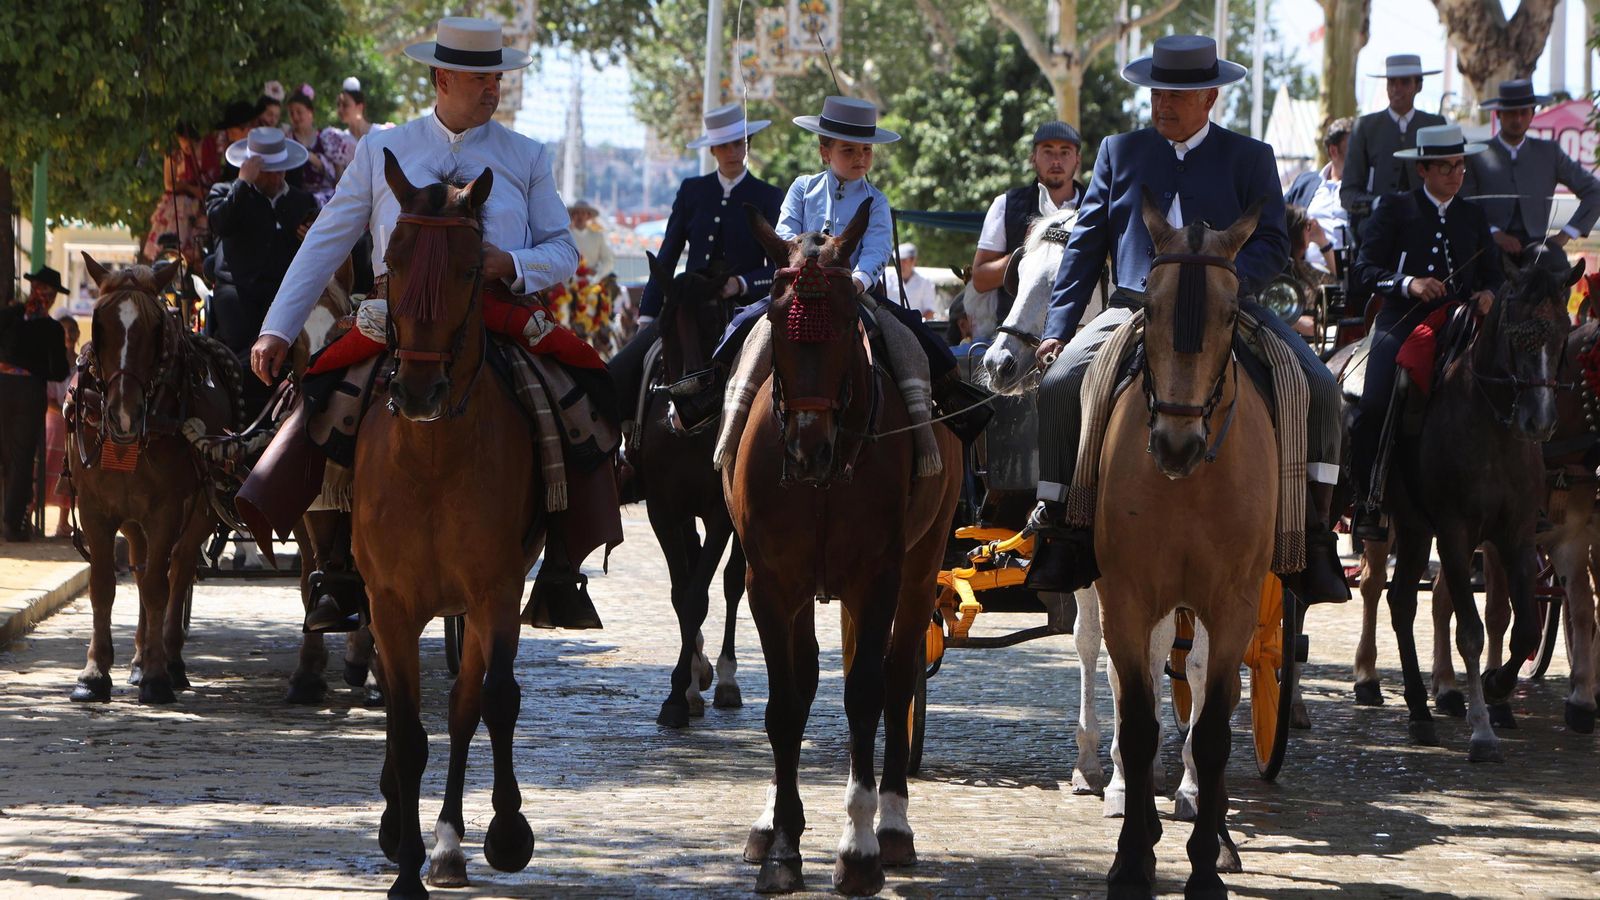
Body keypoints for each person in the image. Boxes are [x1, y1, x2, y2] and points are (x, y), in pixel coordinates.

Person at [246, 17, 596, 631]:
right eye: (483, 77)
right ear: (442, 76)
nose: (495, 88)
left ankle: (563, 564)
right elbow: (329, 237)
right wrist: (278, 327)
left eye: (498, 77)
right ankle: (336, 566)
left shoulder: (526, 156)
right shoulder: (384, 148)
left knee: (575, 397)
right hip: (394, 317)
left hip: (496, 312)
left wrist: (511, 262)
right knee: (327, 395)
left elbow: (564, 251)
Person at [1026, 34, 1348, 603]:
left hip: (1230, 310)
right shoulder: (1118, 151)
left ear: (1210, 98)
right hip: (1134, 307)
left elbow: (1273, 240)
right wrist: (1056, 331)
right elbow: (1083, 246)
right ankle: (1062, 529)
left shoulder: (1250, 157)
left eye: (1176, 93)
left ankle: (1314, 538)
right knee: (1056, 386)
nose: (1162, 103)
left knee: (1321, 390)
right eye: (1156, 91)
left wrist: (1225, 288)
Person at [709, 95, 990, 439]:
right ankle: (714, 395)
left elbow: (876, 253)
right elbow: (784, 236)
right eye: (849, 150)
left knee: (914, 335)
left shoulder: (878, 201)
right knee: (742, 323)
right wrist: (802, 268)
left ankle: (942, 411)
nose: (860, 158)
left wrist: (853, 283)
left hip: (854, 296)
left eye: (866, 151)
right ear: (824, 152)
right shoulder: (802, 188)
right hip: (799, 292)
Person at [1349, 124, 1502, 539]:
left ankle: (1518, 498)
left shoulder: (1473, 215)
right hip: (1402, 320)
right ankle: (1369, 500)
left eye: (1461, 166)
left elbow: (1496, 276)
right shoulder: (1395, 209)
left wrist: (1489, 293)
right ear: (1423, 170)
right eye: (1446, 166)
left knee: (1512, 383)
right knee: (1375, 401)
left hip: (1463, 324)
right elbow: (1362, 272)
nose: (1456, 174)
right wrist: (1408, 283)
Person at [206, 127, 319, 419]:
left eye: (281, 170)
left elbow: (319, 247)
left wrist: (310, 236)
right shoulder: (226, 193)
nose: (277, 177)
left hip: (283, 294)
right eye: (268, 171)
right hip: (236, 292)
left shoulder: (300, 201)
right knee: (240, 348)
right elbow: (220, 223)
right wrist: (242, 183)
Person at [1464, 79, 1600, 256]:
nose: (1518, 119)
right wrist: (1494, 232)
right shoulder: (1476, 153)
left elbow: (1595, 191)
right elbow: (1463, 203)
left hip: (1537, 248)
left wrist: (1566, 234)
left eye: (1523, 112)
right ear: (1498, 114)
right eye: (1511, 113)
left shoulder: (1550, 152)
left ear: (1532, 113)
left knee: (1558, 267)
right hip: (1486, 245)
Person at [970, 120, 1086, 318]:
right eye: (1047, 151)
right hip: (1018, 337)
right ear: (1033, 157)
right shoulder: (1005, 204)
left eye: (1065, 152)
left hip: (1080, 332)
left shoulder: (1096, 208)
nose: (1056, 160)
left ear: (1077, 160)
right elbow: (980, 280)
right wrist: (1025, 252)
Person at [1341, 55, 1447, 242]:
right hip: (1377, 230)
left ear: (1418, 86)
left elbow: (1452, 177)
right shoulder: (1365, 127)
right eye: (1391, 82)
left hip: (1429, 229)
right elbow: (1348, 194)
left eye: (1405, 82)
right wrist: (1376, 203)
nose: (1396, 89)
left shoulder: (1436, 125)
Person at [0, 268, 70, 541]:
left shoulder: (8, 317)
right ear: (50, 298)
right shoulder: (52, 330)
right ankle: (12, 522)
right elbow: (59, 372)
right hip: (29, 393)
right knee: (21, 458)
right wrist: (37, 369)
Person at [1284, 117, 1354, 254]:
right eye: (1353, 149)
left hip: (1347, 272)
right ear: (1333, 151)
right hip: (1298, 271)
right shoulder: (1305, 182)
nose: (1360, 154)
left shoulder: (1366, 190)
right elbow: (1276, 216)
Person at [142, 123, 208, 266]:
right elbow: (169, 184)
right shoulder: (173, 153)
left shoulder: (204, 150)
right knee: (175, 244)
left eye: (192, 145)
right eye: (186, 145)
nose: (189, 149)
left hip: (198, 206)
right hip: (177, 207)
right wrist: (190, 188)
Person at [42, 313, 79, 537]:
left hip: (72, 425)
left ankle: (63, 524)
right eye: (65, 330)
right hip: (53, 424)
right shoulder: (50, 362)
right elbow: (46, 396)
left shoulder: (80, 364)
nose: (69, 335)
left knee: (68, 471)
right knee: (45, 469)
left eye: (73, 330)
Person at [284, 85, 352, 206]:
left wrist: (317, 161)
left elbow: (339, 176)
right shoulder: (287, 140)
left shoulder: (327, 137)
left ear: (310, 113)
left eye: (299, 112)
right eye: (291, 113)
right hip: (296, 199)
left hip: (326, 200)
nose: (295, 117)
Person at [200, 100, 260, 188]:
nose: (229, 135)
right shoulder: (233, 156)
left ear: (248, 129)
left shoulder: (258, 154)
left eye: (232, 131)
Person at [883, 242, 940, 319]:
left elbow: (930, 309)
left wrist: (918, 323)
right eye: (898, 261)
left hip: (915, 328)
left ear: (913, 261)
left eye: (904, 261)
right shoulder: (885, 279)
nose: (901, 264)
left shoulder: (925, 282)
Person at [566, 200, 616, 281]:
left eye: (583, 213)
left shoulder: (598, 236)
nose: (580, 216)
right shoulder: (566, 237)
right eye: (577, 213)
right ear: (572, 215)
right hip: (569, 284)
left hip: (592, 284)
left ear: (588, 216)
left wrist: (598, 275)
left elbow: (608, 260)